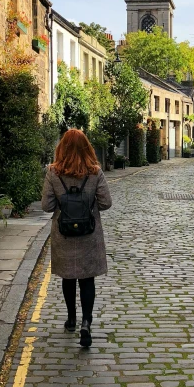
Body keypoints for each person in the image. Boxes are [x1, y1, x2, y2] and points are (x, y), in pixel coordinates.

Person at [42, 129, 112, 347]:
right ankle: (86, 322)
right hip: (89, 234)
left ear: (62, 147)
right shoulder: (95, 172)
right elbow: (106, 203)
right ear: (87, 148)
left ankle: (71, 319)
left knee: (68, 277)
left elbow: (46, 206)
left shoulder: (53, 172)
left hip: (64, 234)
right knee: (87, 278)